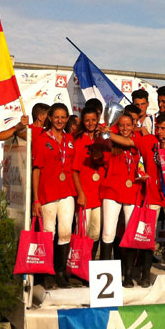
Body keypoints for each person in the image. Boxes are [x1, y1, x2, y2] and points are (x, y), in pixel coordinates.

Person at [109, 113, 165, 274]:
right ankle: (145, 269)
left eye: (163, 128)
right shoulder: (148, 140)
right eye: (158, 127)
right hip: (152, 193)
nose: (159, 131)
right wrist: (106, 133)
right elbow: (128, 141)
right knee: (148, 232)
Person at [100, 112, 152, 287]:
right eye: (121, 125)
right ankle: (107, 277)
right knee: (108, 232)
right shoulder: (110, 140)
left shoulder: (139, 141)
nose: (124, 128)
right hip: (112, 190)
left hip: (133, 191)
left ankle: (128, 275)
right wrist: (102, 138)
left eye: (128, 125)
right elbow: (98, 157)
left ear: (134, 125)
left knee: (130, 235)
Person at [32, 103, 76, 289]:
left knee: (65, 231)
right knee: (48, 232)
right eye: (56, 117)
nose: (59, 120)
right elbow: (36, 170)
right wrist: (36, 199)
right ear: (49, 118)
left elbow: (74, 168)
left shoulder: (70, 139)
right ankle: (46, 272)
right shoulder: (42, 138)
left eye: (63, 117)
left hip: (67, 191)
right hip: (47, 191)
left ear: (67, 119)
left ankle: (60, 271)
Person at [72, 106, 104, 262]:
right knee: (82, 232)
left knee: (95, 233)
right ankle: (79, 266)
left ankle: (89, 267)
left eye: (93, 120)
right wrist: (80, 193)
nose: (91, 123)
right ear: (82, 122)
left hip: (100, 194)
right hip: (85, 193)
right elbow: (74, 170)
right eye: (87, 120)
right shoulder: (79, 140)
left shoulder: (103, 138)